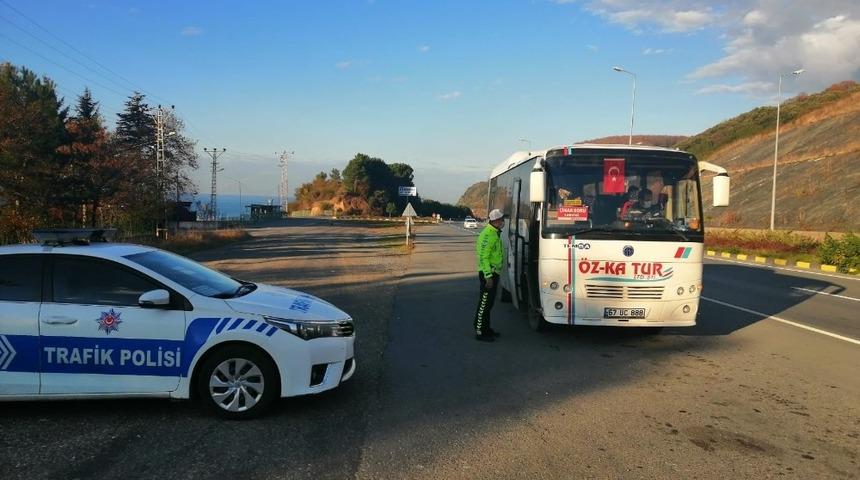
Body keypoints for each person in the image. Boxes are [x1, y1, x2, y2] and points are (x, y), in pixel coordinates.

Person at [474, 208, 505, 342]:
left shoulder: (495, 233)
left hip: (494, 273)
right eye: (502, 219)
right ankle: (480, 331)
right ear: (496, 221)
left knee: (489, 303)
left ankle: (487, 329)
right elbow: (483, 257)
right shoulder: (488, 235)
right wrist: (488, 276)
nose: (503, 221)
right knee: (484, 304)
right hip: (489, 274)